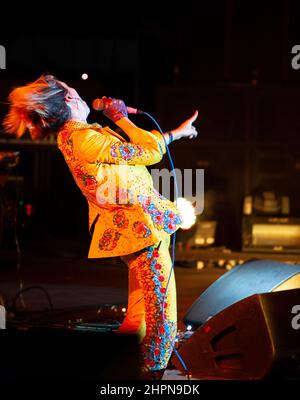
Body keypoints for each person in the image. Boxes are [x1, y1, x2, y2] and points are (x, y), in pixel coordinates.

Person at [3, 74, 198, 379]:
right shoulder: (84, 139)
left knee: (139, 314)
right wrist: (120, 117)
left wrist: (174, 133)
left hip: (137, 230)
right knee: (161, 315)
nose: (79, 95)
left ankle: (120, 367)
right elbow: (151, 152)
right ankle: (150, 373)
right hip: (140, 230)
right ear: (69, 100)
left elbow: (145, 150)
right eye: (73, 91)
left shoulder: (79, 136)